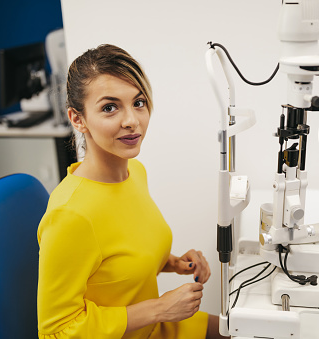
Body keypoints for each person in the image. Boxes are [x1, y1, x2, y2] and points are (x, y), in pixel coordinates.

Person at [37, 44, 229, 339]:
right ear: (78, 119)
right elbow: (55, 330)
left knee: (250, 330)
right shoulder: (70, 215)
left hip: (154, 327)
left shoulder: (134, 173)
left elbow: (115, 262)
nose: (132, 120)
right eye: (110, 107)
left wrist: (173, 263)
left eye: (138, 102)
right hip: (140, 328)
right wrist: (159, 308)